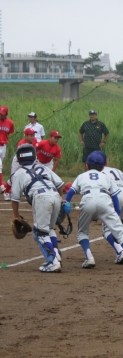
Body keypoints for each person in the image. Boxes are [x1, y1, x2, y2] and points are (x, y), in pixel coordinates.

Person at [64, 151, 123, 270]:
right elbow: (114, 196)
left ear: (87, 166)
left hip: (87, 200)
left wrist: (66, 203)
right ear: (103, 167)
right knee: (120, 232)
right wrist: (117, 214)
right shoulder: (105, 176)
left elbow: (70, 191)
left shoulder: (81, 176)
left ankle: (89, 257)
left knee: (82, 232)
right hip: (104, 201)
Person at [11, 144, 64, 272]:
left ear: (19, 159)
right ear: (34, 156)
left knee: (39, 232)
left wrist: (16, 215)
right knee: (49, 228)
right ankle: (56, 254)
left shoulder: (18, 173)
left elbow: (15, 199)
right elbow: (61, 184)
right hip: (55, 195)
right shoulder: (43, 168)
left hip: (41, 198)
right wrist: (58, 199)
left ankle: (53, 261)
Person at [2, 128, 39, 201]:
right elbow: (21, 156)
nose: (33, 137)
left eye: (33, 135)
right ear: (26, 136)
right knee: (13, 177)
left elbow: (34, 152)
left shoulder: (35, 141)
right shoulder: (21, 144)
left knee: (31, 175)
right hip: (19, 160)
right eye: (31, 135)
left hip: (29, 159)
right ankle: (6, 192)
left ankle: (28, 192)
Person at [0, 105, 15, 198]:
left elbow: (9, 133)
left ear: (6, 114)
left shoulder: (10, 123)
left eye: (3, 114)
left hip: (3, 146)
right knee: (0, 166)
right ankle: (2, 187)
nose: (1, 116)